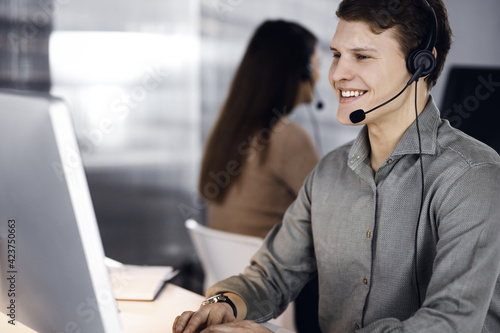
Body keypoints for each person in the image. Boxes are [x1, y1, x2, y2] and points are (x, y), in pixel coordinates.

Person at [174, 0, 500, 332]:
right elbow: (272, 275)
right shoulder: (329, 172)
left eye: (362, 56)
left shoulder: (472, 177)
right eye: (336, 55)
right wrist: (223, 304)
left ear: (421, 65)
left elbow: (450, 324)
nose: (337, 74)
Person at [198, 20, 320, 239]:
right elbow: (332, 214)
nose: (319, 77)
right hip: (269, 272)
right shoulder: (288, 138)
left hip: (232, 271)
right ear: (301, 72)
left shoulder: (228, 132)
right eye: (315, 66)